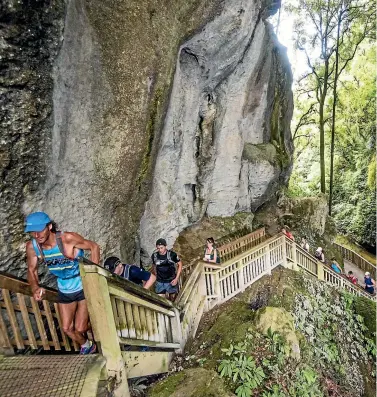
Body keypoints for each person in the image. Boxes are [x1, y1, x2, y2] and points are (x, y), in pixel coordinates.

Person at [25, 211, 100, 354]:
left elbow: (94, 246)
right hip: (64, 287)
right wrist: (35, 287)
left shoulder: (68, 238)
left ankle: (93, 331)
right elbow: (31, 270)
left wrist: (93, 274)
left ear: (50, 226)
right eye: (32, 232)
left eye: (40, 230)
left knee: (80, 328)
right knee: (67, 328)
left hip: (82, 284)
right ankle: (87, 345)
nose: (37, 235)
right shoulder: (33, 247)